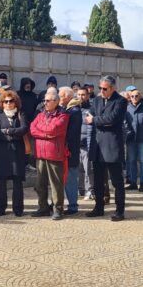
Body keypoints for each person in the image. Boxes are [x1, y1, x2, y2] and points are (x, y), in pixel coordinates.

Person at [84, 75, 128, 221]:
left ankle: (119, 210)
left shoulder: (120, 101)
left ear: (112, 88)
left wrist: (95, 120)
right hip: (97, 146)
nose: (101, 91)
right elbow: (89, 114)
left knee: (116, 181)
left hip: (112, 146)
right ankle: (98, 207)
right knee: (97, 180)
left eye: (105, 88)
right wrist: (98, 120)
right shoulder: (96, 100)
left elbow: (113, 119)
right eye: (100, 88)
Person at [30, 90, 69, 220]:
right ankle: (43, 207)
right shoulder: (41, 114)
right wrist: (46, 135)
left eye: (48, 101)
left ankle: (58, 209)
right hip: (40, 153)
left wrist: (42, 132)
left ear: (56, 102)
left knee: (56, 184)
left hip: (54, 153)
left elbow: (54, 129)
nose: (45, 103)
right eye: (44, 101)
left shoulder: (63, 115)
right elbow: (32, 128)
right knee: (40, 183)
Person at [0, 90, 29, 216]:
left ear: (15, 102)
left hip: (17, 152)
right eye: (5, 101)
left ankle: (18, 209)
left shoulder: (21, 114)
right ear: (2, 103)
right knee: (1, 181)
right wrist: (12, 134)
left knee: (17, 181)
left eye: (11, 101)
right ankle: (1, 208)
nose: (8, 104)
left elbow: (23, 129)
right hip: (2, 152)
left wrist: (8, 131)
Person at [59, 87, 82, 215]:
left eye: (60, 96)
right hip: (66, 150)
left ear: (67, 97)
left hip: (71, 151)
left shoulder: (74, 111)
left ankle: (73, 206)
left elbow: (71, 133)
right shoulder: (68, 109)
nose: (59, 98)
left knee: (71, 178)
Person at [125, 88, 143, 192]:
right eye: (132, 96)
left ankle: (142, 184)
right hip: (131, 140)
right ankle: (133, 183)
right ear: (130, 98)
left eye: (136, 96)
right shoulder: (126, 108)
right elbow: (124, 122)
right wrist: (128, 132)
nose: (134, 98)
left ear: (140, 97)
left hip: (142, 139)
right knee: (132, 161)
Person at [76, 87, 98, 202]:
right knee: (79, 168)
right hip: (76, 144)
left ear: (88, 96)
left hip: (87, 144)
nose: (81, 97)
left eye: (83, 94)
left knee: (88, 168)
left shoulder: (91, 109)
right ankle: (81, 189)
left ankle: (90, 190)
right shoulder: (74, 109)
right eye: (79, 94)